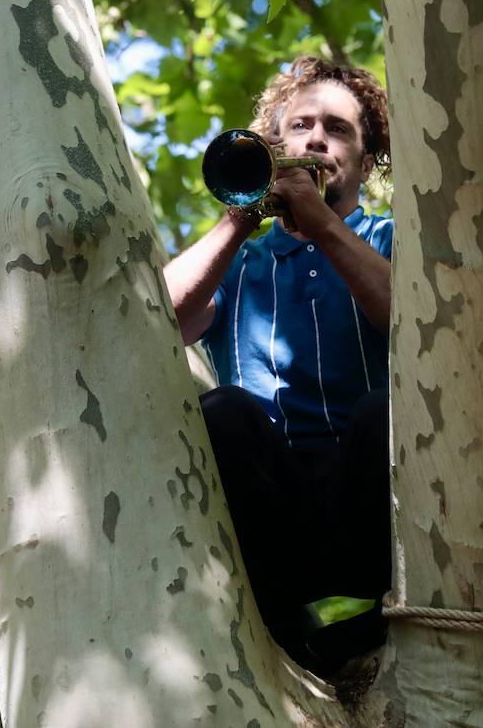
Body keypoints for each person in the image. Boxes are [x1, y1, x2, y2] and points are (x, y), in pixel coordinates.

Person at [163, 56, 393, 676]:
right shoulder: (236, 260)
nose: (316, 139)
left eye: (338, 130)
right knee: (223, 412)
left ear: (366, 165)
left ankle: (384, 619)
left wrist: (320, 225)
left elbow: (411, 316)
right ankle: (290, 631)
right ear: (274, 147)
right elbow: (157, 321)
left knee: (386, 411)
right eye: (300, 127)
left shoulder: (397, 239)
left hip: (379, 511)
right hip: (275, 518)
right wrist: (240, 216)